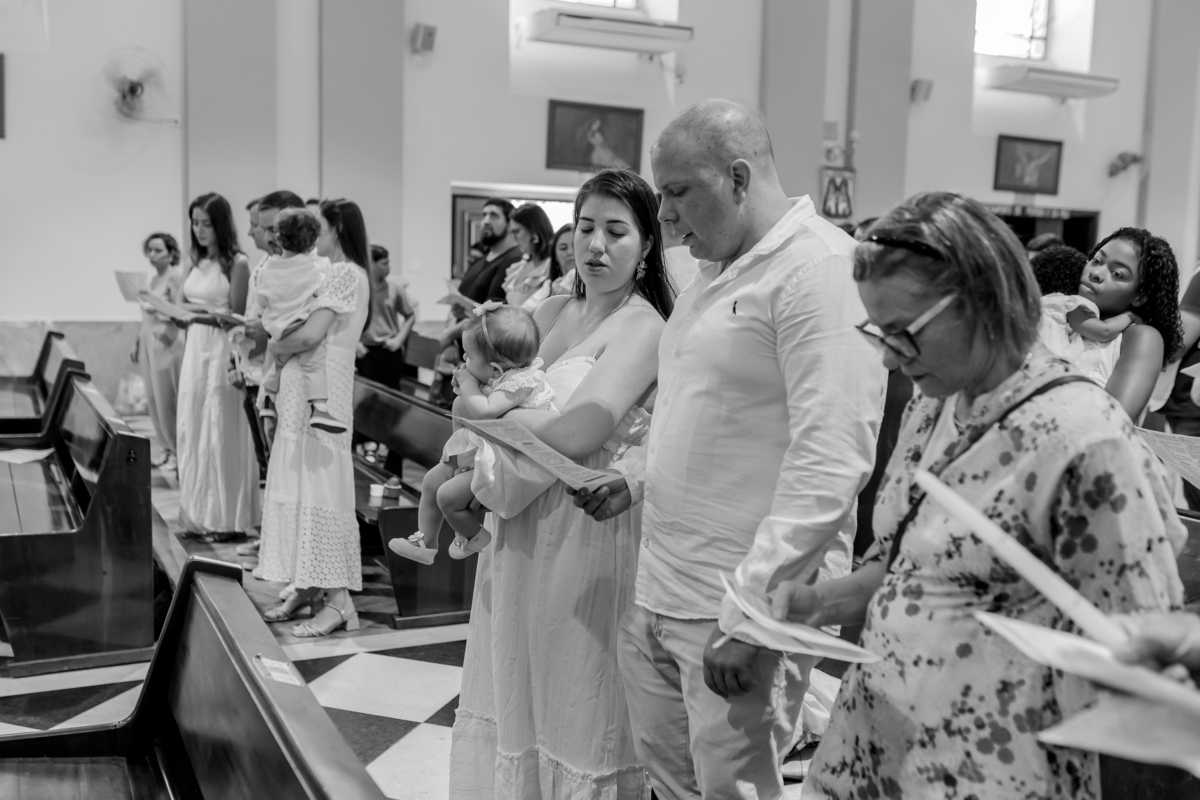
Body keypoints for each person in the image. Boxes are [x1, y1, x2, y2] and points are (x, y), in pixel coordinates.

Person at [770, 191, 1185, 799]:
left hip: (988, 764)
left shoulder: (1084, 437)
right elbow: (903, 566)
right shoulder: (935, 403)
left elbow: (1143, 656)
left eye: (904, 332)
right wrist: (813, 604)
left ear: (981, 303)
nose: (889, 356)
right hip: (872, 740)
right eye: (878, 331)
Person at [570, 100, 886, 799]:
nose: (665, 216)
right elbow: (695, 407)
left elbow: (832, 458)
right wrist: (635, 475)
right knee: (671, 783)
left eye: (678, 192)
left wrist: (755, 615)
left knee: (732, 789)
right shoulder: (712, 274)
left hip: (738, 597)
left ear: (738, 178)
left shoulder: (822, 271)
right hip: (662, 584)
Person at [449, 169, 673, 799]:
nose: (595, 245)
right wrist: (483, 409)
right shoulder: (548, 310)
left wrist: (489, 416)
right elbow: (482, 380)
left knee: (573, 690)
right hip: (516, 520)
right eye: (585, 227)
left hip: (581, 523)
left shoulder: (643, 325)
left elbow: (578, 433)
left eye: (616, 231)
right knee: (512, 675)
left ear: (647, 244)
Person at [255, 198, 372, 638]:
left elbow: (308, 335)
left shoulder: (344, 273)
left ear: (337, 228)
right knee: (302, 484)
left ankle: (339, 603)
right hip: (304, 389)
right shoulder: (331, 271)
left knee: (321, 487)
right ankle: (307, 585)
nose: (313, 234)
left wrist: (275, 345)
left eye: (320, 225)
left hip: (324, 385)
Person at [389, 302, 554, 565]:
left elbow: (483, 411)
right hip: (483, 449)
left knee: (447, 496)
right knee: (432, 480)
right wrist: (466, 385)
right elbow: (468, 407)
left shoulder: (522, 383)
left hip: (510, 460)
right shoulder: (498, 375)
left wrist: (468, 383)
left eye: (468, 357)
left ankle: (473, 537)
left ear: (495, 369)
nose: (464, 361)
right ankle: (426, 542)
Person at [175, 192, 260, 542]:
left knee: (220, 428)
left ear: (221, 225)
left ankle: (226, 519)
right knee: (193, 426)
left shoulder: (237, 263)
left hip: (222, 348)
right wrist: (175, 313)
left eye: (206, 224)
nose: (199, 230)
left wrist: (195, 315)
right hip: (195, 349)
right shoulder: (195, 261)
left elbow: (237, 316)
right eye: (195, 223)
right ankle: (197, 515)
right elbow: (181, 304)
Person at [1036, 229, 1183, 420]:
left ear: (1140, 296)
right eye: (1096, 261)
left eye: (1117, 274)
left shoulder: (1140, 336)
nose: (1096, 273)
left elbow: (1116, 420)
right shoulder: (1058, 311)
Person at [235, 190, 306, 562]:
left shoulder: (305, 270)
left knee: (282, 463)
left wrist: (256, 332)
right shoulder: (266, 265)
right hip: (259, 371)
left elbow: (284, 327)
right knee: (268, 460)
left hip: (285, 376)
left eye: (266, 227)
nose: (259, 234)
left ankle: (285, 544)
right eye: (260, 227)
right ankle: (271, 538)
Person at [255, 208, 346, 433]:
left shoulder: (266, 269)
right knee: (314, 365)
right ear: (313, 241)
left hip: (278, 330)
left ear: (278, 238)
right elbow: (323, 295)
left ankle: (268, 399)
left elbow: (261, 302)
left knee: (277, 364)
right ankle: (320, 408)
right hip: (301, 327)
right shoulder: (318, 267)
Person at [131, 232, 185, 471]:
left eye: (158, 250)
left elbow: (180, 313)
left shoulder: (175, 278)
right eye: (150, 250)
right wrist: (136, 341)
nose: (152, 255)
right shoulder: (153, 280)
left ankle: (177, 451)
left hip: (167, 342)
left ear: (171, 253)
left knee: (167, 399)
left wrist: (160, 311)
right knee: (153, 398)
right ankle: (164, 448)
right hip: (148, 341)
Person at [356, 243, 417, 388]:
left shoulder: (395, 288)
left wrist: (399, 340)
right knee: (367, 397)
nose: (388, 267)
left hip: (389, 349)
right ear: (371, 263)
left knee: (392, 395)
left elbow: (410, 316)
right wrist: (356, 344)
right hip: (364, 351)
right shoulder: (359, 287)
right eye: (384, 263)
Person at [502, 204, 559, 309]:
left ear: (534, 230)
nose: (514, 238)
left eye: (516, 231)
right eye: (511, 233)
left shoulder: (553, 265)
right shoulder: (521, 265)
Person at [547, 223, 576, 296]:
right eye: (563, 248)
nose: (570, 252)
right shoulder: (547, 288)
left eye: (575, 246)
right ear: (555, 256)